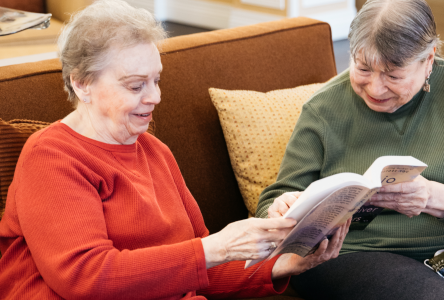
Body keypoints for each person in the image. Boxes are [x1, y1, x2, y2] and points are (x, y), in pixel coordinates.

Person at [0, 1, 351, 299]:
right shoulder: (51, 157)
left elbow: (197, 268)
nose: (154, 97)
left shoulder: (155, 151)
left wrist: (281, 265)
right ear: (81, 82)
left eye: (156, 80)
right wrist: (213, 248)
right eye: (136, 85)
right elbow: (86, 276)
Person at [255, 0, 444, 299]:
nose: (375, 89)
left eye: (393, 75)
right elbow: (273, 202)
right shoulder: (323, 108)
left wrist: (431, 196)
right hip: (359, 252)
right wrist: (280, 208)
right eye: (363, 68)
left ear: (428, 60)